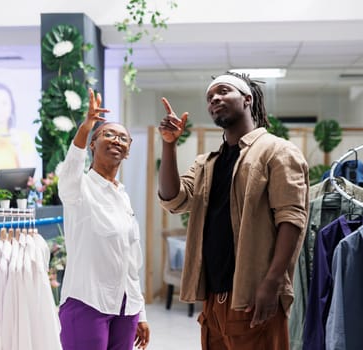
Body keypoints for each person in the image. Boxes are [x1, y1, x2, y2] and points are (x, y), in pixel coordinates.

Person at [157, 71, 309, 349]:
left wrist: (273, 281)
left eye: (224, 91)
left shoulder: (277, 151)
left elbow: (292, 218)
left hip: (253, 295)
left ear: (247, 99)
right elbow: (173, 199)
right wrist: (169, 145)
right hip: (214, 298)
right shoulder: (207, 163)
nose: (215, 98)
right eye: (209, 97)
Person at [57, 88, 150, 350]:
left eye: (123, 138)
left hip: (126, 306)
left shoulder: (123, 196)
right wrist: (87, 126)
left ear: (128, 150)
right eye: (108, 134)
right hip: (87, 303)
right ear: (93, 145)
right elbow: (72, 166)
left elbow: (131, 261)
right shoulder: (78, 188)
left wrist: (140, 312)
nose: (116, 140)